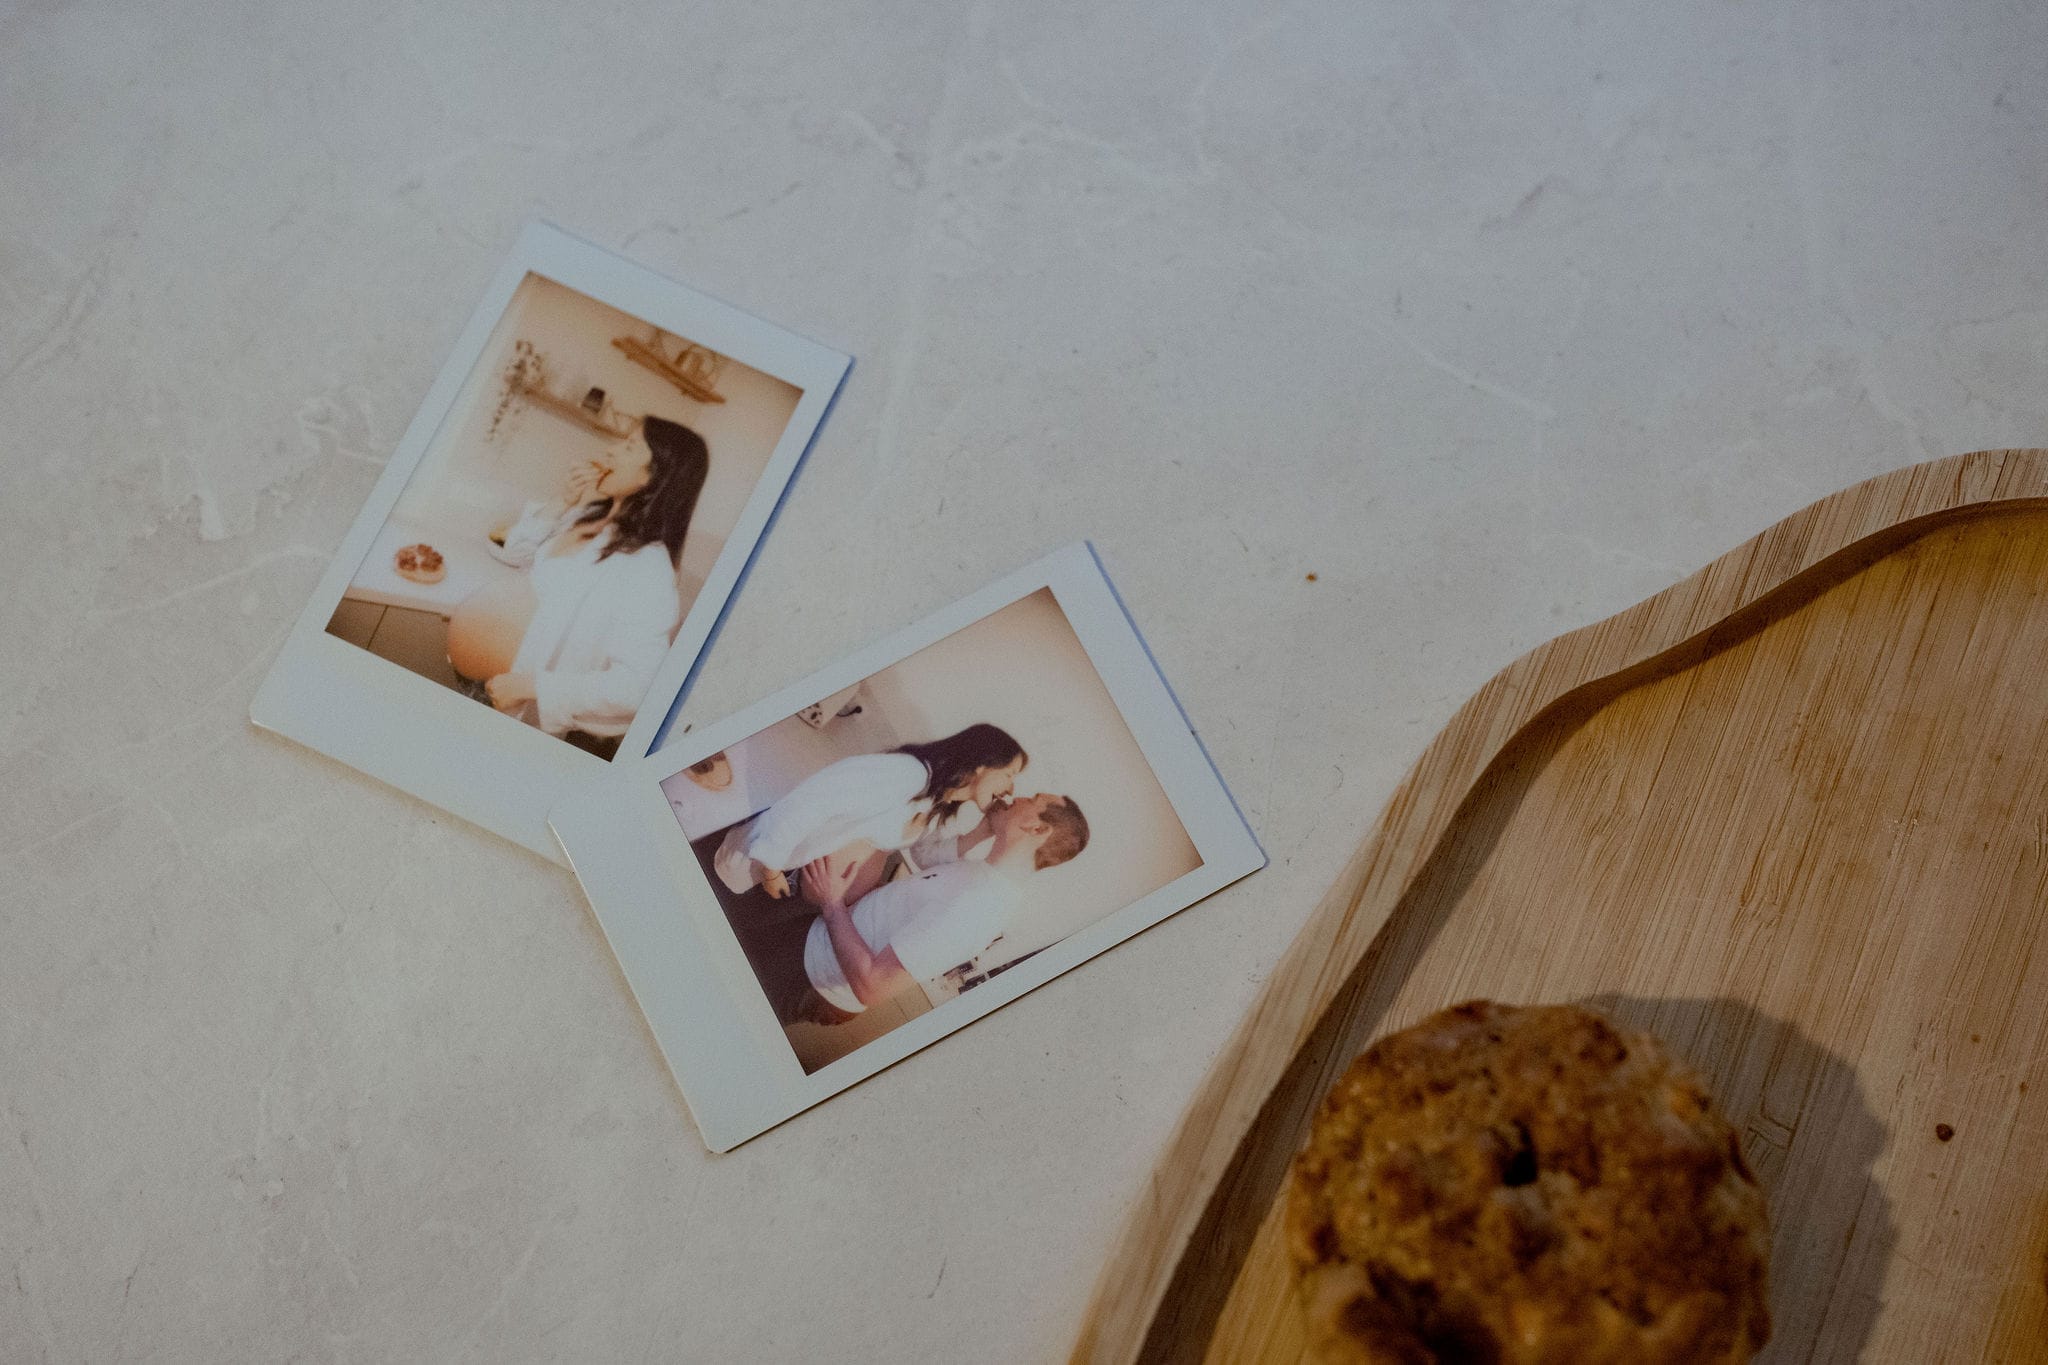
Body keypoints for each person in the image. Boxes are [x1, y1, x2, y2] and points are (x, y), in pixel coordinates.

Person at [726, 792, 1089, 1027]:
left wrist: (833, 903)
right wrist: (983, 829)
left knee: (722, 1008)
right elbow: (922, 856)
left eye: (1032, 798)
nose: (1017, 795)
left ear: (1036, 827)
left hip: (809, 978)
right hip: (815, 941)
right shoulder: (983, 874)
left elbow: (873, 987)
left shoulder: (979, 905)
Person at [479, 416, 708, 756]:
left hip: (516, 711)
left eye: (629, 446)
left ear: (658, 474)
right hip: (482, 685)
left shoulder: (649, 566)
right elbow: (515, 552)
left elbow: (638, 686)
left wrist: (531, 686)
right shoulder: (584, 516)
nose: (611, 451)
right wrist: (563, 501)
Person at [711, 723, 1027, 899]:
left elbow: (923, 856)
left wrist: (983, 832)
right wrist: (771, 871)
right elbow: (811, 802)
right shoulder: (906, 775)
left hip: (781, 881)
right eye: (1010, 774)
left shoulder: (936, 801)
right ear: (983, 763)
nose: (1011, 789)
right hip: (752, 865)